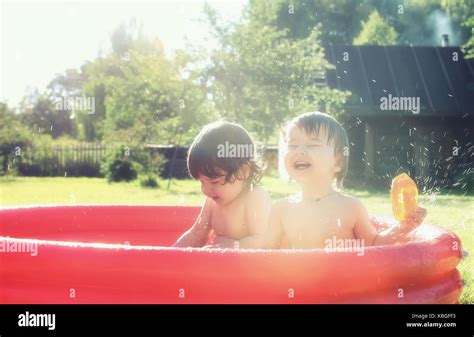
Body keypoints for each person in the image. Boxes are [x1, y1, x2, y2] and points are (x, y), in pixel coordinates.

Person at [263, 112, 426, 250]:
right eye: (292, 145)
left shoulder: (351, 207)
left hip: (342, 285)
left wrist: (405, 226)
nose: (299, 151)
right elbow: (266, 257)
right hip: (300, 286)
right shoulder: (281, 209)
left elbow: (374, 244)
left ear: (338, 162)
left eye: (313, 144)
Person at [173, 120, 272, 248]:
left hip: (249, 267)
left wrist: (230, 247)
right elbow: (197, 234)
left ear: (243, 172)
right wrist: (170, 253)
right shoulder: (212, 202)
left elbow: (264, 241)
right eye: (202, 181)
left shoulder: (255, 198)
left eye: (214, 181)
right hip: (219, 266)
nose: (206, 190)